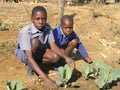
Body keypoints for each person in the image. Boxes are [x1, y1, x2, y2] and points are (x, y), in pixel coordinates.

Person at [15, 6, 74, 89]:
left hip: (38, 51)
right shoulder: (26, 31)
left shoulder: (47, 27)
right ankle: (30, 71)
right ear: (32, 19)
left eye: (43, 19)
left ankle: (36, 65)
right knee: (35, 42)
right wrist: (46, 79)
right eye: (37, 19)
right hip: (25, 54)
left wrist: (66, 57)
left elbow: (53, 46)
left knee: (55, 57)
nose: (41, 22)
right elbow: (29, 57)